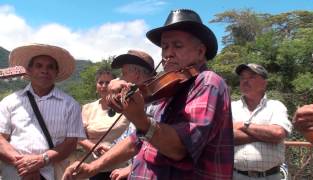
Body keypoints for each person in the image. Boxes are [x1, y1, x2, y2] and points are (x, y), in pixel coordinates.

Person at [63, 9, 234, 180]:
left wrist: (140, 119)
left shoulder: (207, 82)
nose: (168, 53)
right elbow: (136, 141)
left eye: (178, 45)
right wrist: (93, 167)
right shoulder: (171, 87)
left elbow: (180, 148)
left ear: (200, 51)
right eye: (165, 47)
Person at [0, 43, 86, 180]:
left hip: (52, 173)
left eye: (50, 67)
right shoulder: (10, 102)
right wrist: (24, 166)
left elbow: (70, 143)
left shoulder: (70, 105)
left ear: (56, 72)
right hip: (14, 173)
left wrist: (41, 160)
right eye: (39, 66)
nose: (44, 70)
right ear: (29, 70)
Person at [232, 63, 292, 180]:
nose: (245, 81)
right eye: (242, 78)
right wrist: (266, 135)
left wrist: (244, 125)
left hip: (271, 176)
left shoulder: (276, 106)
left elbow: (278, 134)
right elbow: (227, 137)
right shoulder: (231, 107)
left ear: (264, 83)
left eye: (251, 77)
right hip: (236, 175)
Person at [109, 49, 155, 180]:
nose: (120, 78)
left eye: (124, 73)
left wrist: (130, 167)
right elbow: (131, 138)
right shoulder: (136, 100)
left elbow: (156, 147)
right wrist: (109, 148)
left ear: (136, 75)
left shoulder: (156, 103)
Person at [78, 67, 130, 180]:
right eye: (100, 82)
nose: (104, 86)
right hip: (95, 167)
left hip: (121, 169)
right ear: (96, 86)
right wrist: (93, 147)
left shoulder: (127, 106)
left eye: (108, 82)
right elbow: (79, 137)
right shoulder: (87, 108)